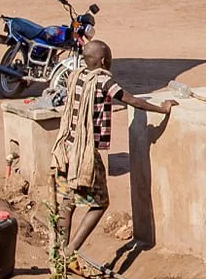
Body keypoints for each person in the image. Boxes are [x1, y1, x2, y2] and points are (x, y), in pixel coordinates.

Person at [54, 40, 177, 256]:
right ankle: (70, 252)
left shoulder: (77, 75)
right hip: (84, 153)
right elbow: (131, 100)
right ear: (104, 61)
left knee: (68, 199)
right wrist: (161, 109)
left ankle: (58, 250)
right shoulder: (102, 80)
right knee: (101, 203)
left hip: (66, 148)